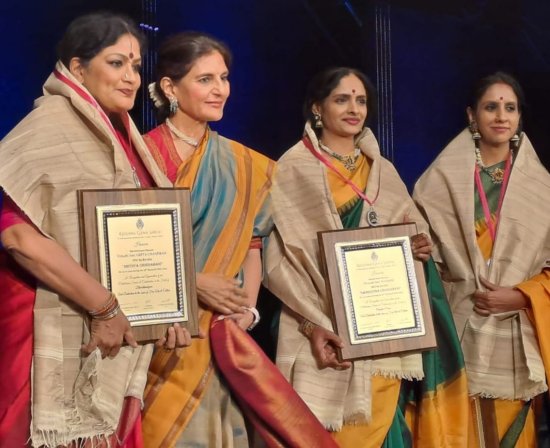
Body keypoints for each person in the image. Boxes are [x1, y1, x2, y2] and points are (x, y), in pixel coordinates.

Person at [0, 12, 191, 447]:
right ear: (77, 67)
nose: (130, 77)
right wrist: (105, 308)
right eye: (116, 63)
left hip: (111, 331)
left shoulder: (122, 137)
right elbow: (17, 237)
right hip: (42, 322)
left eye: (136, 65)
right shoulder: (48, 126)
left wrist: (159, 317)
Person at [141, 32, 337, 447]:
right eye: (205, 79)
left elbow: (252, 247)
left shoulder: (246, 165)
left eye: (224, 78)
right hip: (155, 335)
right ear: (170, 88)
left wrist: (247, 312)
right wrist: (189, 284)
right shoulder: (138, 157)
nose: (220, 90)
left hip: (218, 337)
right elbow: (126, 255)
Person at [264, 67, 469, 447]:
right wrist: (314, 321)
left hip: (381, 331)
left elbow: (413, 231)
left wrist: (420, 247)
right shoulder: (291, 169)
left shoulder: (382, 171)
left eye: (360, 100)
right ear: (317, 108)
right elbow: (279, 259)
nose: (353, 108)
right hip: (318, 324)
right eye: (342, 99)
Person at [414, 71, 550, 447]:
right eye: (491, 107)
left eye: (510, 108)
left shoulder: (543, 189)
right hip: (455, 330)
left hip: (518, 335)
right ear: (472, 116)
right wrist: (416, 249)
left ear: (520, 117)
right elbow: (423, 260)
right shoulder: (439, 181)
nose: (501, 116)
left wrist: (522, 295)